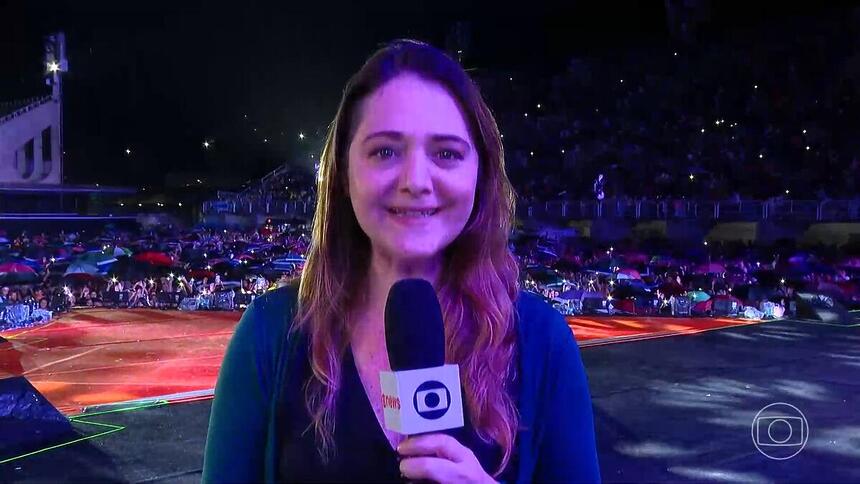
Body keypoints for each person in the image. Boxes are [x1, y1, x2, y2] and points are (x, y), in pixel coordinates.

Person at [203, 40, 600, 483]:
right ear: (343, 171)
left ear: (480, 174)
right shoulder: (270, 334)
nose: (415, 181)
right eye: (385, 151)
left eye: (446, 153)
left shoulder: (542, 341)